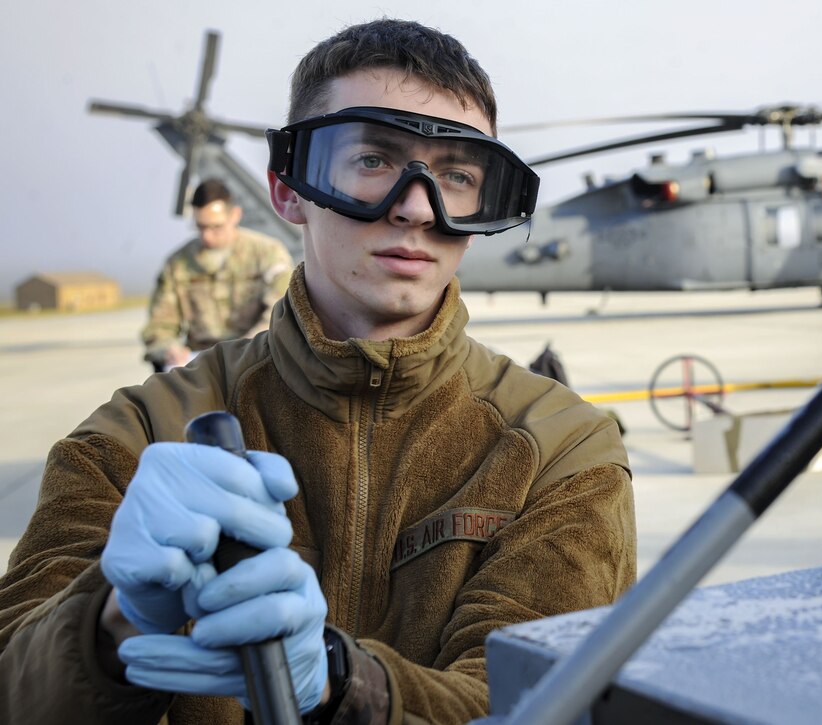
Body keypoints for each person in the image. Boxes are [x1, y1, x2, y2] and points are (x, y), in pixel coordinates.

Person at [0, 18, 635, 725]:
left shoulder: (560, 450)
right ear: (288, 190)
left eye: (456, 176)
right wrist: (109, 621)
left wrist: (346, 684)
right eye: (371, 160)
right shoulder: (136, 435)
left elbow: (539, 702)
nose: (416, 207)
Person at [141, 178, 294, 372]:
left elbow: (281, 314)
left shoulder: (268, 254)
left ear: (235, 215)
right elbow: (159, 326)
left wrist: (246, 350)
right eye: (200, 227)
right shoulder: (178, 264)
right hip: (201, 365)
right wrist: (168, 349)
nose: (207, 235)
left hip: (257, 358)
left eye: (216, 227)